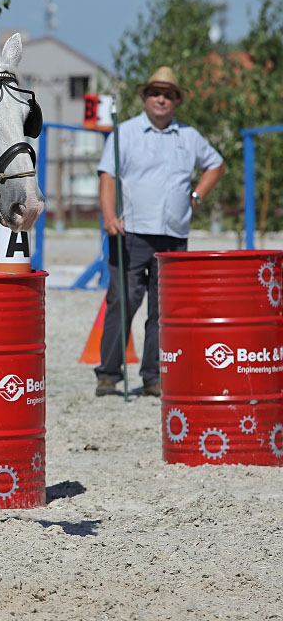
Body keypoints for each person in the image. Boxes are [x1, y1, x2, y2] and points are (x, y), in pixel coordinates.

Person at [94, 66, 225, 397]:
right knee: (122, 302)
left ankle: (153, 376)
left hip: (174, 236)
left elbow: (216, 164)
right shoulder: (124, 134)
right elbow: (107, 176)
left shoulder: (190, 137)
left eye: (168, 94)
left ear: (176, 101)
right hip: (132, 234)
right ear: (145, 97)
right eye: (156, 93)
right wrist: (109, 215)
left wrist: (196, 197)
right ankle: (108, 376)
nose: (161, 99)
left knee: (164, 310)